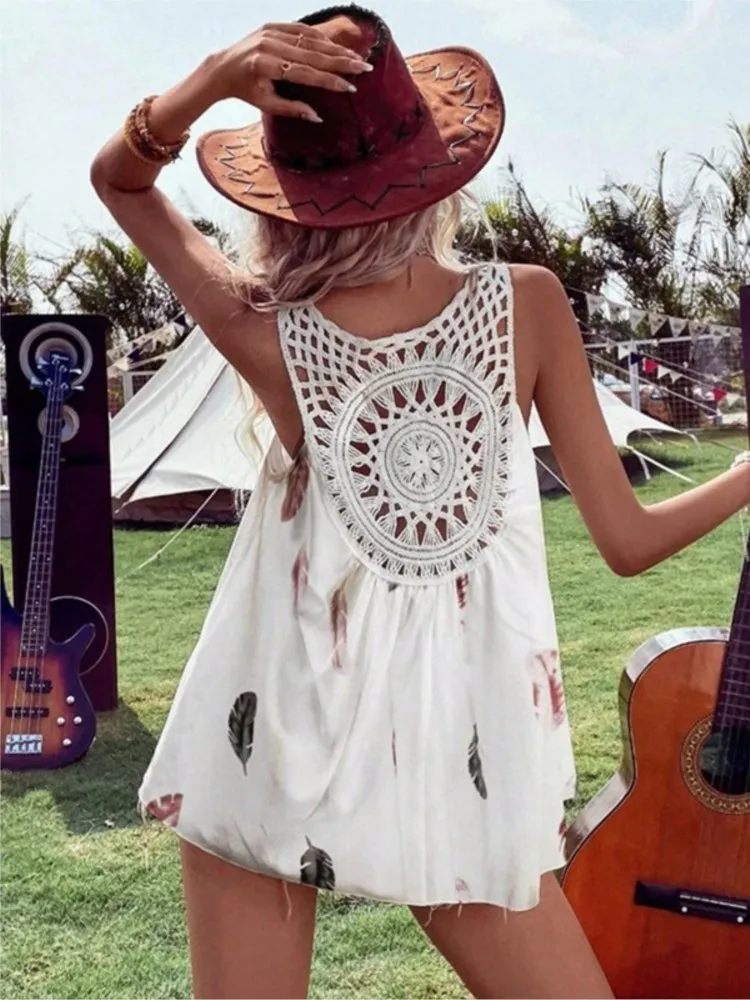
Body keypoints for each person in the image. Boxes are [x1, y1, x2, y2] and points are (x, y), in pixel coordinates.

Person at [91, 6, 750, 998]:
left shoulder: (267, 328)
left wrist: (212, 77)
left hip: (272, 738)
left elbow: (119, 180)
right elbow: (626, 539)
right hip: (456, 757)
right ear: (435, 163)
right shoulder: (527, 304)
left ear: (288, 194)